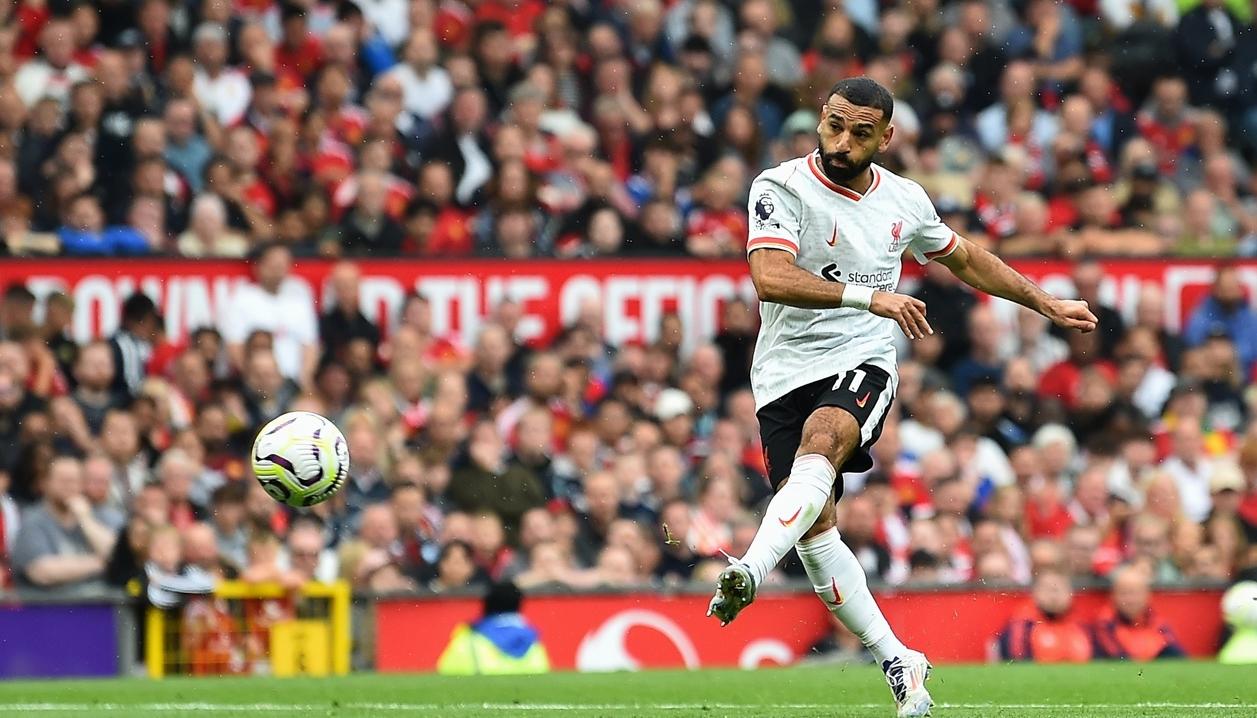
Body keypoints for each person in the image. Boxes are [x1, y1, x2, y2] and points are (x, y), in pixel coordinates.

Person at [706, 76, 1097, 718]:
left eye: (860, 132)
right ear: (821, 117)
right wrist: (871, 294)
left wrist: (1045, 301)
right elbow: (769, 277)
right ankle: (898, 657)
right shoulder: (780, 187)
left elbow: (966, 259)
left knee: (826, 438)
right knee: (813, 532)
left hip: (861, 358)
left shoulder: (906, 200)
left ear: (886, 138)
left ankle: (747, 568)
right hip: (781, 373)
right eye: (834, 123)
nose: (841, 140)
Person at [436, 580, 550, 675]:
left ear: (487, 604)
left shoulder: (470, 638)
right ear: (519, 604)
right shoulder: (534, 642)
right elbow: (542, 670)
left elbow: (445, 669)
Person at [1091, 564, 1186, 660]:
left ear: (1147, 595)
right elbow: (1117, 657)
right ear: (1113, 596)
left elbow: (1177, 655)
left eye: (1135, 593)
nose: (1130, 600)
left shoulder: (1157, 621)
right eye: (1124, 593)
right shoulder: (1105, 624)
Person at [995, 570, 1092, 663]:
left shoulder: (1083, 625)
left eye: (1059, 589)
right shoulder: (1023, 625)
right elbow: (1017, 662)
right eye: (1048, 589)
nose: (1054, 596)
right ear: (1035, 593)